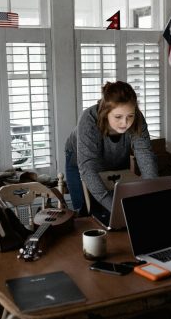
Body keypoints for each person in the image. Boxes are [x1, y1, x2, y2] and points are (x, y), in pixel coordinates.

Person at [64, 81, 158, 219]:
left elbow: (145, 154)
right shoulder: (88, 119)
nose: (125, 123)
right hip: (81, 160)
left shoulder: (137, 118)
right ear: (105, 112)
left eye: (130, 116)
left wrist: (153, 193)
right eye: (118, 117)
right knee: (85, 212)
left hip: (117, 157)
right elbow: (88, 168)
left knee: (122, 205)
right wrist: (117, 209)